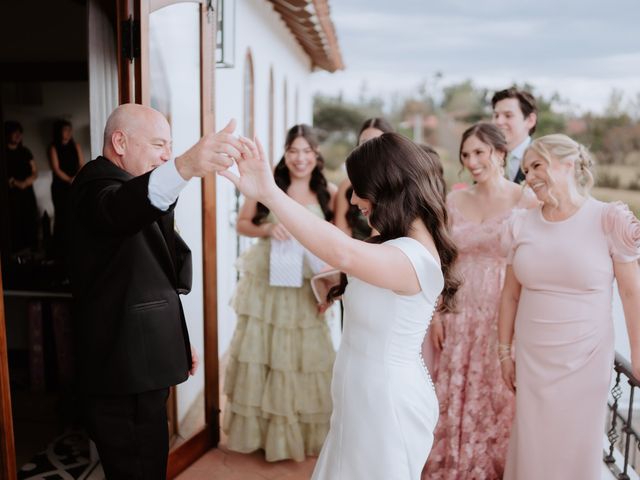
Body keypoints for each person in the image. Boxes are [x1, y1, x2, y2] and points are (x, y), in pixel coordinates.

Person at [220, 132, 460, 480]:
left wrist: (269, 193)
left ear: (387, 187)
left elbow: (341, 250)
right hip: (361, 393)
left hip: (385, 403)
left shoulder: (414, 257)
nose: (352, 198)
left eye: (359, 188)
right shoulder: (398, 244)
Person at [69, 103, 243, 479]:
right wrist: (182, 166)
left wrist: (178, 341)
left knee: (148, 463)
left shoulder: (129, 188)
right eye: (159, 145)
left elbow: (151, 274)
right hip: (122, 372)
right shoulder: (95, 187)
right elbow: (120, 211)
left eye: (170, 147)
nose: (166, 154)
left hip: (143, 364)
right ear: (120, 142)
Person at [498, 134, 640, 480]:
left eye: (537, 165)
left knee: (576, 445)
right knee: (533, 444)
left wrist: (639, 358)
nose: (529, 176)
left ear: (568, 164)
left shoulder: (608, 219)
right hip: (532, 360)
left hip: (586, 359)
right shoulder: (520, 224)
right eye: (526, 168)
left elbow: (632, 294)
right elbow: (510, 295)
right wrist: (504, 352)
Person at [423, 123, 536, 480]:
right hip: (458, 311)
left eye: (479, 153)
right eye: (466, 155)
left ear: (500, 153)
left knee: (498, 395)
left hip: (504, 312)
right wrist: (437, 313)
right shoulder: (453, 201)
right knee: (453, 389)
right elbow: (442, 260)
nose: (472, 161)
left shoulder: (525, 200)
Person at [222, 124, 337, 462]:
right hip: (269, 284)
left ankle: (299, 435)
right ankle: (263, 435)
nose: (300, 158)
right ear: (285, 154)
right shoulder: (268, 184)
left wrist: (330, 288)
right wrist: (269, 228)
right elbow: (243, 223)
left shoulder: (328, 192)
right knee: (266, 354)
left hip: (306, 285)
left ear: (316, 155)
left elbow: (335, 241)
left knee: (303, 359)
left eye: (306, 151)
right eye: (293, 151)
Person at [334, 117, 394, 239]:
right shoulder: (347, 186)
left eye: (376, 143)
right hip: (351, 253)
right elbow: (342, 237)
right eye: (364, 143)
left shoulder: (396, 185)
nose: (369, 149)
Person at [49, 119, 84, 261]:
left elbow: (81, 163)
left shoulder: (76, 145)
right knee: (61, 215)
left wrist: (76, 178)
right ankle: (59, 250)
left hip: (75, 183)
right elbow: (56, 168)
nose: (69, 132)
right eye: (65, 130)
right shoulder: (53, 147)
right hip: (60, 186)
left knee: (74, 214)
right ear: (59, 132)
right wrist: (70, 179)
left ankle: (73, 247)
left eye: (70, 129)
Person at [5, 121, 38, 253]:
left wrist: (25, 183)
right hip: (11, 195)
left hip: (27, 192)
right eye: (15, 132)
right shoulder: (4, 152)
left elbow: (35, 172)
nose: (18, 135)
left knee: (29, 221)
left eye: (20, 132)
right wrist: (14, 182)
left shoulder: (25, 151)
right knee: (14, 223)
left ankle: (30, 253)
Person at [491, 87, 537, 184]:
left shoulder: (543, 159)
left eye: (508, 115)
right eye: (496, 116)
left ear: (530, 120)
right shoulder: (488, 158)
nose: (499, 122)